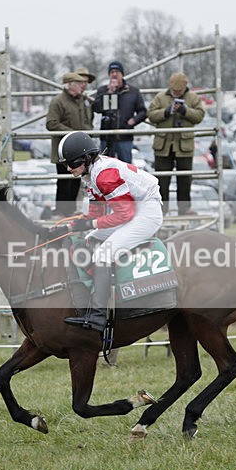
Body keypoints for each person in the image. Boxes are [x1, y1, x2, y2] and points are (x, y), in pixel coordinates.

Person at [52, 131, 162, 334]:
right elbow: (96, 212)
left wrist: (90, 223)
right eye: (66, 164)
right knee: (89, 239)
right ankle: (98, 292)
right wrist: (69, 227)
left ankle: (97, 316)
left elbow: (125, 215)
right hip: (133, 208)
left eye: (72, 163)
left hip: (146, 212)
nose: (68, 169)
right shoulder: (90, 174)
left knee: (103, 253)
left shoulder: (103, 175)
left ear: (86, 158)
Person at [147, 72, 207, 215]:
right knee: (162, 179)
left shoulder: (193, 98)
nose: (176, 93)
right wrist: (166, 112)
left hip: (184, 146)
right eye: (174, 91)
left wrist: (185, 111)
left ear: (185, 87)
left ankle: (184, 208)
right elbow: (150, 115)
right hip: (163, 146)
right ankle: (161, 209)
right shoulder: (161, 97)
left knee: (185, 179)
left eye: (179, 91)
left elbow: (199, 116)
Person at [46, 72, 94, 217]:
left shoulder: (81, 101)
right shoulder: (58, 101)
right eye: (79, 84)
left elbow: (86, 120)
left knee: (74, 181)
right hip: (63, 149)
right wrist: (72, 133)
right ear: (70, 85)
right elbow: (51, 123)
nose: (82, 87)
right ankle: (61, 211)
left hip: (77, 149)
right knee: (64, 181)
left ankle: (70, 211)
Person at [92, 61, 146, 164]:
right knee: (104, 167)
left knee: (125, 168)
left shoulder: (133, 91)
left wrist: (133, 120)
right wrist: (109, 93)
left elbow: (143, 111)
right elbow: (96, 108)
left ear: (122, 74)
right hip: (106, 136)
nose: (114, 74)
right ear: (109, 75)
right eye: (112, 72)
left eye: (117, 71)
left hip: (124, 136)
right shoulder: (103, 90)